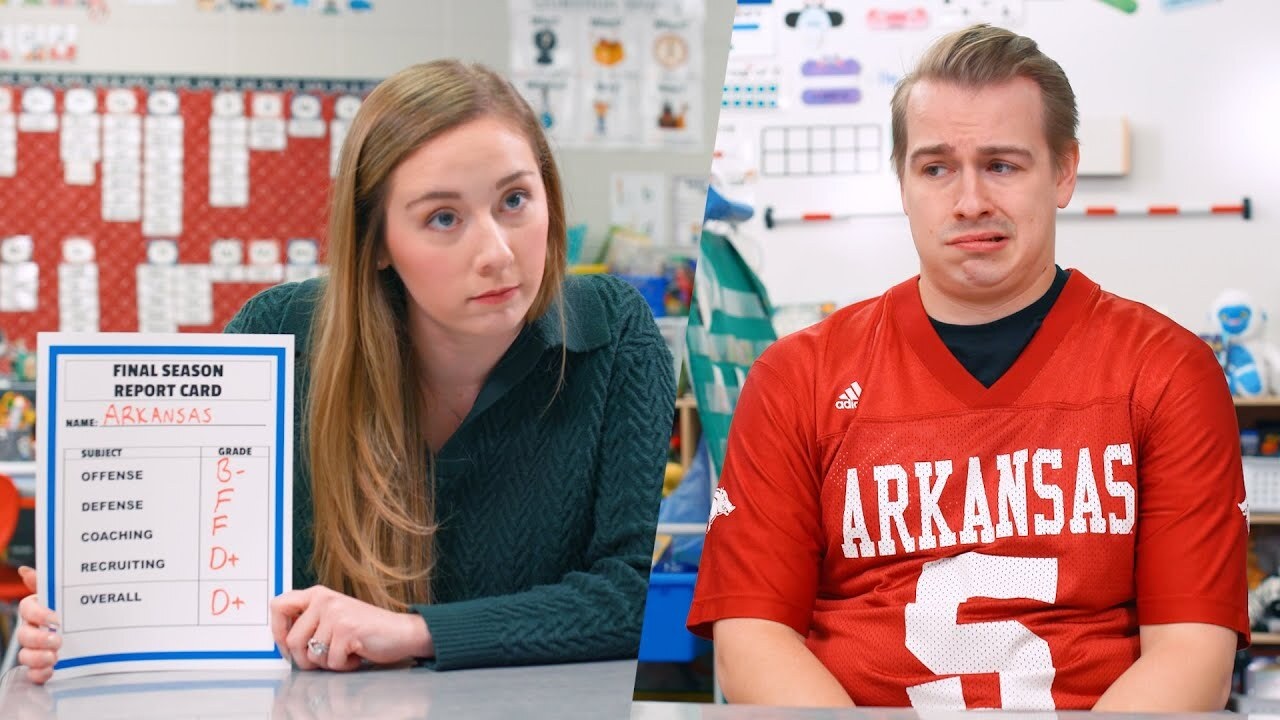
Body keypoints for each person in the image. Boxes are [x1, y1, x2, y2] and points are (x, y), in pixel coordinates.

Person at [15, 59, 676, 683]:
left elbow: (630, 594)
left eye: (514, 200)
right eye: (444, 218)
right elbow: (194, 574)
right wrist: (84, 620)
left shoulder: (613, 333)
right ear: (378, 244)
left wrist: (413, 632)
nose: (497, 253)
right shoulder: (280, 336)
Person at [687, 24, 1248, 711]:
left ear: (1064, 170)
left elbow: (1193, 652)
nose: (970, 200)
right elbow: (753, 641)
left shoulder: (1166, 371)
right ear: (903, 181)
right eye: (936, 167)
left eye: (1003, 164)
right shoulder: (797, 378)